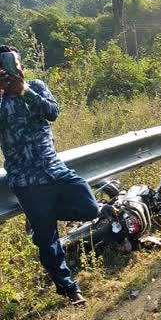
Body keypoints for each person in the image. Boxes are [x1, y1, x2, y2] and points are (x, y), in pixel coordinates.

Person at [0, 46, 98, 306]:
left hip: (55, 169)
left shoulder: (36, 86)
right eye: (9, 66)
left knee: (89, 207)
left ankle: (40, 219)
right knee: (49, 241)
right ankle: (68, 288)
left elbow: (52, 112)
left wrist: (24, 92)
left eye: (17, 63)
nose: (16, 69)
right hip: (26, 181)